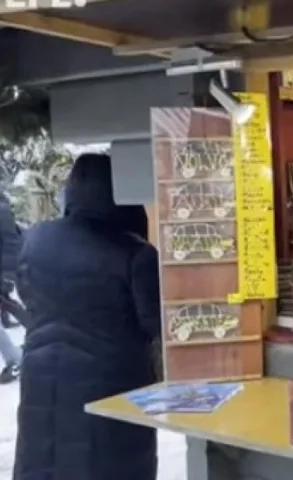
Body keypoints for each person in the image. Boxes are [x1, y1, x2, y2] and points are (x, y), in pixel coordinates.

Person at [14, 153, 160, 480]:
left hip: (41, 377)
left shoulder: (35, 239)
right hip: (111, 386)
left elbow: (27, 295)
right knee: (105, 465)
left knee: (44, 457)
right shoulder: (135, 253)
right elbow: (154, 322)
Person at [0, 193, 25, 329]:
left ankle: (15, 319)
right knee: (4, 296)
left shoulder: (3, 211)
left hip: (3, 263)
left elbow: (10, 242)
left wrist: (8, 272)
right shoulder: (4, 210)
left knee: (4, 296)